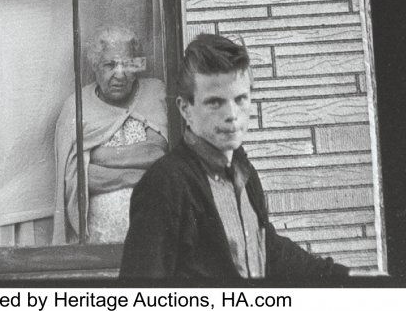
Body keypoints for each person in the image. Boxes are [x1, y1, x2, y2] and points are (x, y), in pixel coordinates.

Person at [119, 34, 351, 283]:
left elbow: (265, 247)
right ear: (185, 108)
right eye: (215, 102)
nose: (232, 115)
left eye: (240, 99)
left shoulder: (244, 170)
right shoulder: (165, 184)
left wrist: (345, 278)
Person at [53, 25, 168, 244]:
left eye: (127, 64)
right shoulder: (77, 106)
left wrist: (97, 155)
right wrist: (134, 177)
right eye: (110, 64)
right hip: (99, 243)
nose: (120, 73)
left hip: (156, 239)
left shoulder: (154, 93)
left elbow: (156, 153)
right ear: (95, 67)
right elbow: (78, 180)